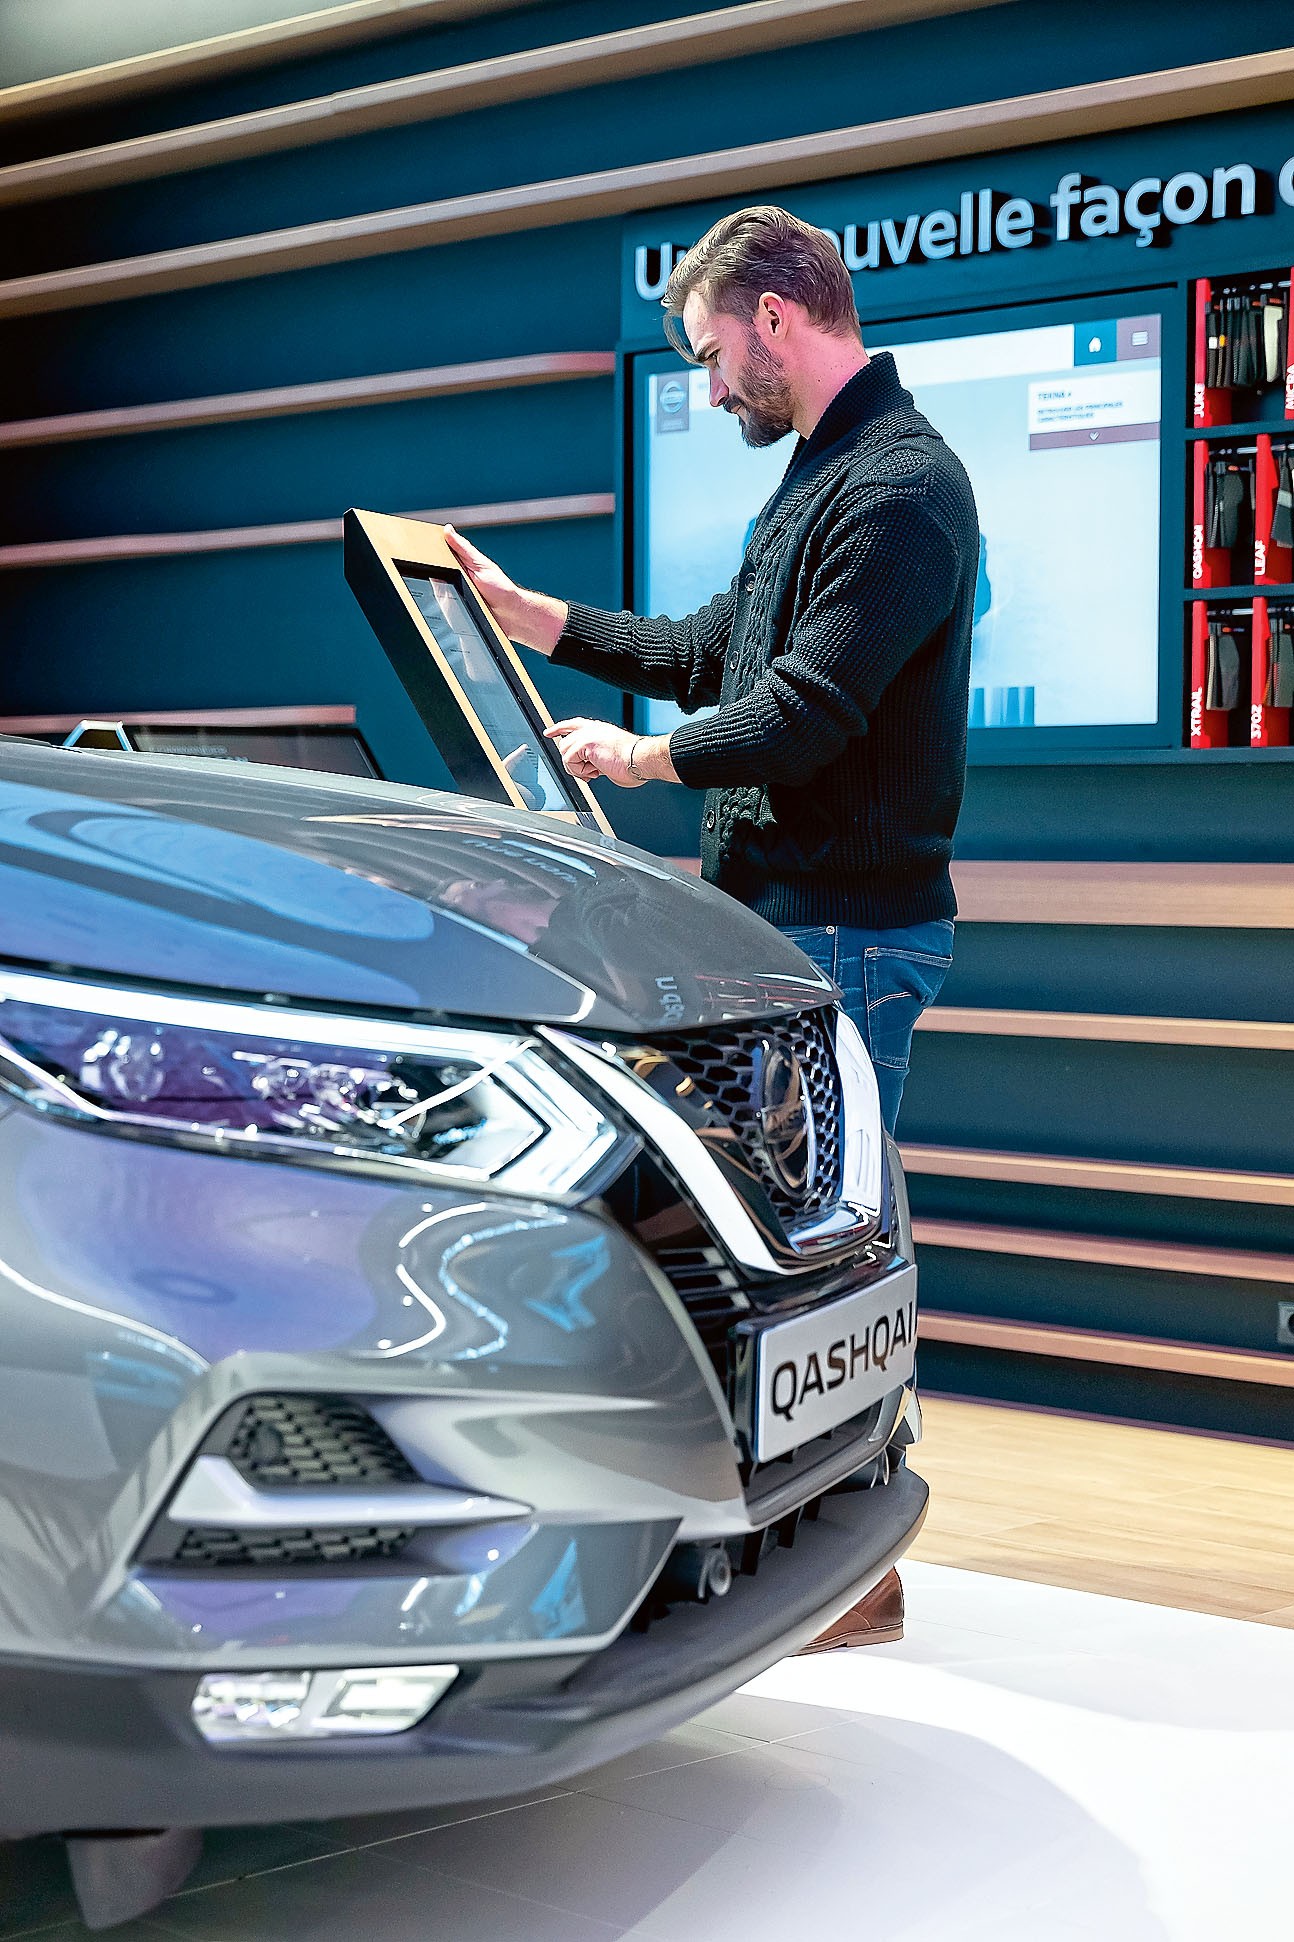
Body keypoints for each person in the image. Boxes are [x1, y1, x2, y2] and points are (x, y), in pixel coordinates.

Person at [446, 203, 979, 1650]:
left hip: (846, 936)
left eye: (708, 353)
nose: (708, 383)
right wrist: (532, 617)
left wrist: (636, 759)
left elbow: (804, 714)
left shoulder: (901, 487)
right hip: (793, 932)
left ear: (775, 320)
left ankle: (855, 1567)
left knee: (835, 1259)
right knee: (799, 1250)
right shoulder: (824, 473)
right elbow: (710, 651)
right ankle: (820, 1551)